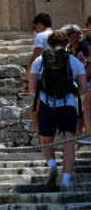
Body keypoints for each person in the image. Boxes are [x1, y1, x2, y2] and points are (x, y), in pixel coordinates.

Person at [28, 31, 89, 190]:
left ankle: (53, 165)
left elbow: (32, 88)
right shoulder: (73, 61)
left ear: (49, 43)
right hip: (67, 105)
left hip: (47, 104)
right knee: (68, 140)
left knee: (45, 140)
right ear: (66, 43)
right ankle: (66, 179)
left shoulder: (40, 61)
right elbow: (83, 88)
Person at [63, 24, 90, 136]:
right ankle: (80, 136)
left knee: (86, 110)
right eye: (67, 35)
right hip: (80, 85)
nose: (67, 38)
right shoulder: (71, 49)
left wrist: (82, 82)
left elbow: (89, 65)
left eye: (69, 34)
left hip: (87, 84)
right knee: (80, 112)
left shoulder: (85, 45)